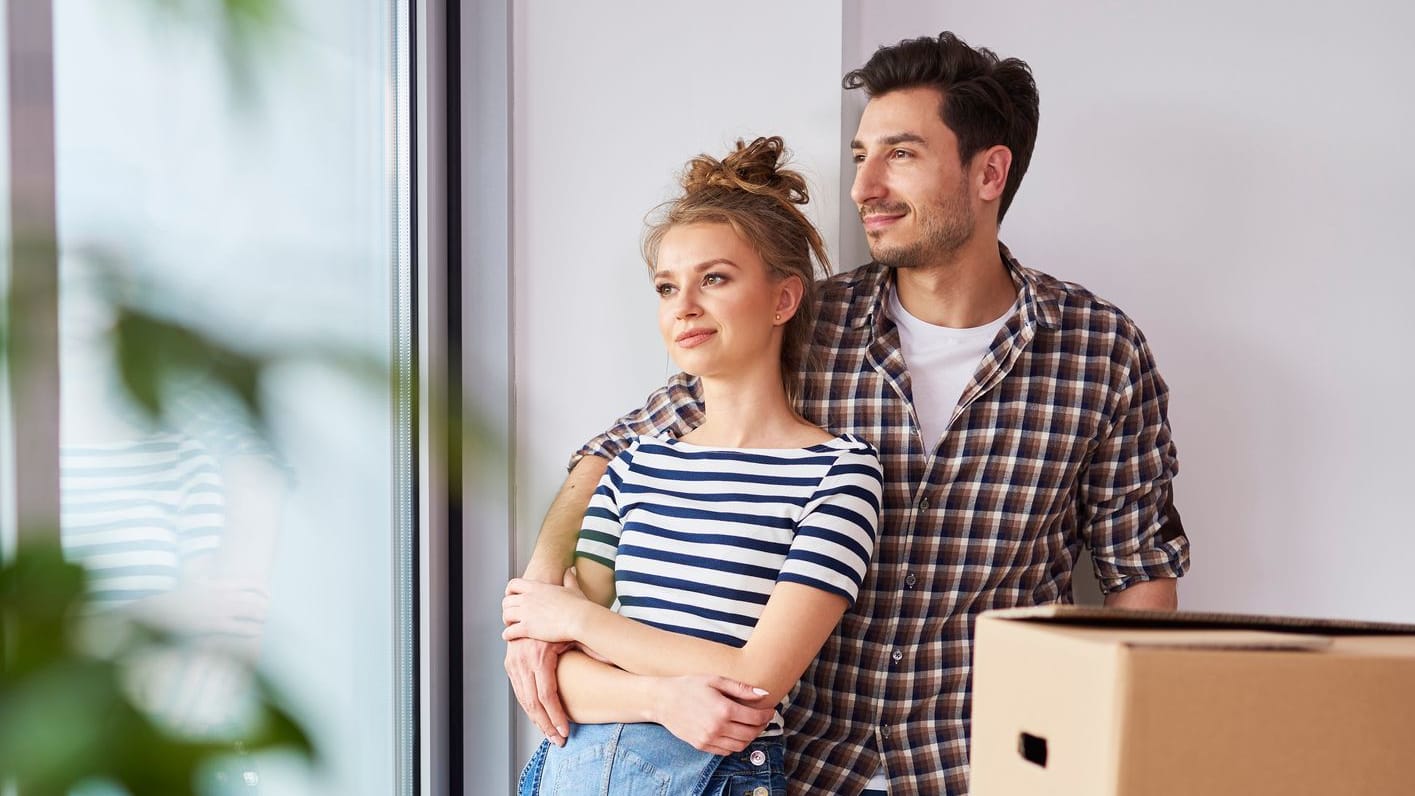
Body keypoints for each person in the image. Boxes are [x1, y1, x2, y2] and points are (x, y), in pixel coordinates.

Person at [506, 31, 1190, 795]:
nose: (864, 185)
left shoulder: (1098, 351)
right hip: (796, 767)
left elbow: (1138, 579)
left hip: (980, 764)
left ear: (988, 171)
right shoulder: (803, 323)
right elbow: (610, 447)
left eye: (898, 154)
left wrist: (1116, 760)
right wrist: (537, 610)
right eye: (861, 155)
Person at [503, 137, 884, 795]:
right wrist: (661, 699)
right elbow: (550, 677)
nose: (683, 307)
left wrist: (580, 622)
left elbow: (758, 679)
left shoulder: (838, 474)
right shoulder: (634, 466)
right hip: (575, 773)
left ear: (781, 300)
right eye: (665, 287)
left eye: (714, 279)